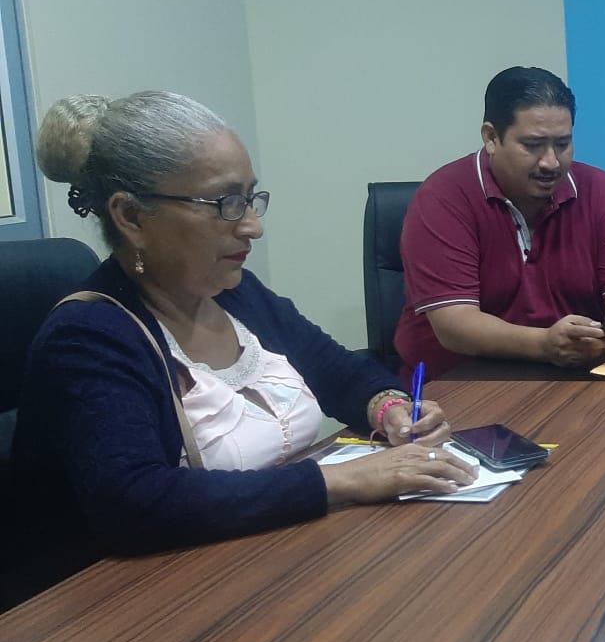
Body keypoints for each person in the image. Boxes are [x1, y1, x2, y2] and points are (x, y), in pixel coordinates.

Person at [3, 91, 477, 609]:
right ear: (132, 216)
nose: (252, 224)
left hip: (259, 566)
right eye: (224, 204)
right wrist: (340, 481)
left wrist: (389, 408)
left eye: (251, 199)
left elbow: (338, 371)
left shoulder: (234, 291)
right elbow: (136, 502)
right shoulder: (89, 335)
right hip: (122, 611)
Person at [395, 66, 605, 376]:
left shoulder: (600, 191)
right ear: (491, 138)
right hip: (460, 381)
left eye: (562, 144)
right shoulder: (443, 197)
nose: (551, 162)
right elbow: (455, 324)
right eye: (532, 146)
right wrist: (544, 344)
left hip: (578, 376)